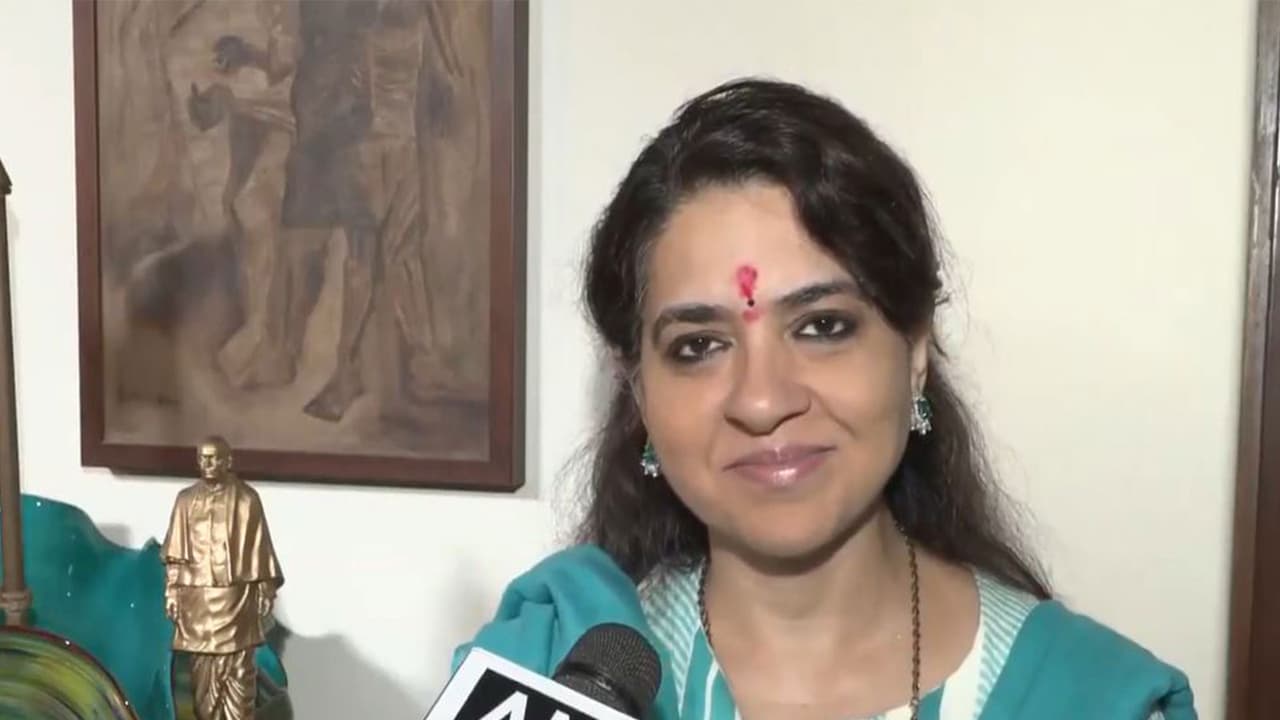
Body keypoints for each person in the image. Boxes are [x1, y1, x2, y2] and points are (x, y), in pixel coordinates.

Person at [451, 78, 1196, 720]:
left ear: (914, 354)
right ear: (639, 392)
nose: (763, 401)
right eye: (699, 345)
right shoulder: (550, 667)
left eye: (822, 327)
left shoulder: (1094, 698)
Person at [162, 435, 285, 720]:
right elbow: (175, 556)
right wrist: (172, 593)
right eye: (203, 458)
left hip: (236, 602)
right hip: (198, 602)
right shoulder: (185, 501)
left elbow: (259, 549)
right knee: (201, 678)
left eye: (214, 458)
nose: (208, 464)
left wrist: (265, 590)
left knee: (240, 675)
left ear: (228, 461)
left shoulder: (247, 500)